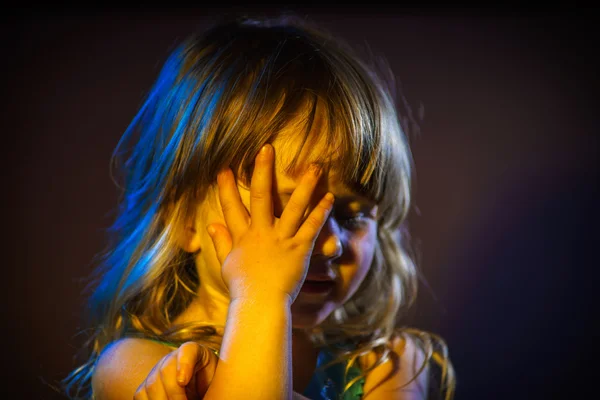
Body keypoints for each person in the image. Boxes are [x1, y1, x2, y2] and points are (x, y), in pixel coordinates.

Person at [60, 14, 456, 400]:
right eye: (285, 213)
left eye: (352, 216)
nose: (332, 245)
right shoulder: (135, 367)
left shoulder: (388, 366)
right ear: (183, 219)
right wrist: (261, 293)